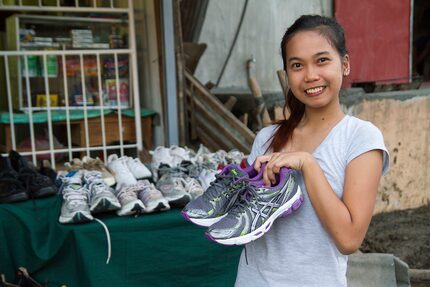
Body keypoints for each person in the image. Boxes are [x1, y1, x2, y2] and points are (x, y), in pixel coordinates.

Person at [234, 15, 389, 286]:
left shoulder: (361, 138)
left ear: (345, 64)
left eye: (322, 60)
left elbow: (349, 240)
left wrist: (308, 164)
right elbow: (247, 224)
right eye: (297, 65)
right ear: (287, 73)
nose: (310, 75)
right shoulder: (267, 138)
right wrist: (241, 188)